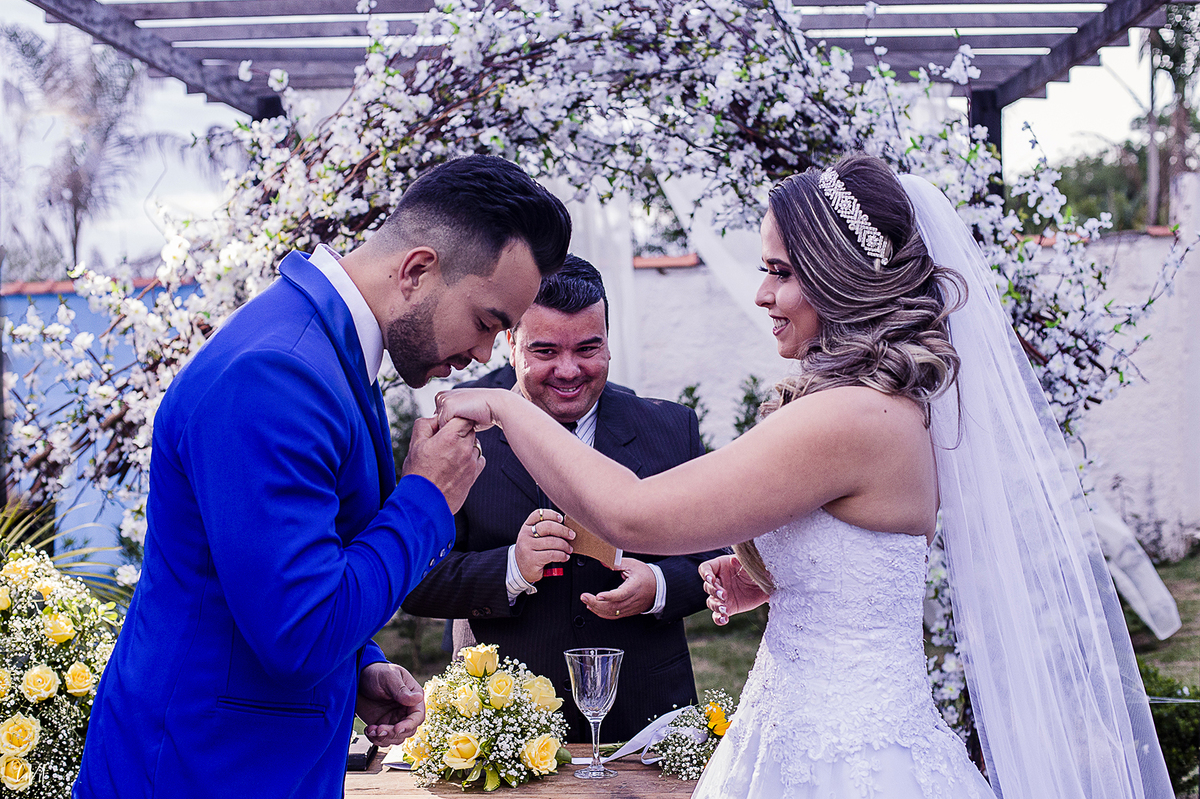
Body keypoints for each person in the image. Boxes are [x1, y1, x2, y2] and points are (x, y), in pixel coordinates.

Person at [434, 154, 1173, 798]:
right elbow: (858, 551)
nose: (761, 294)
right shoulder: (875, 407)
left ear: (839, 278)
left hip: (847, 760)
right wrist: (775, 571)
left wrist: (506, 403)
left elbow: (631, 515)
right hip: (800, 733)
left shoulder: (850, 416)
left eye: (779, 272)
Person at [74, 155, 571, 799]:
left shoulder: (325, 351)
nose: (484, 355)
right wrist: (428, 500)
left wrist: (358, 662)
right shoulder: (278, 374)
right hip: (201, 770)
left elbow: (291, 568)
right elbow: (300, 636)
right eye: (487, 322)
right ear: (418, 271)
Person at [403, 255, 723, 742]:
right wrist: (511, 568)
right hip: (500, 722)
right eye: (546, 350)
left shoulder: (670, 429)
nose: (569, 371)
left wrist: (658, 585)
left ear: (610, 344)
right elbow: (414, 581)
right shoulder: (457, 437)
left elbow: (716, 557)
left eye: (588, 348)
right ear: (510, 344)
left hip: (646, 713)